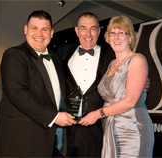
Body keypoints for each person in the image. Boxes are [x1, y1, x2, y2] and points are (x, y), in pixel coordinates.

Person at [0, 10, 76, 157]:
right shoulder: (14, 55)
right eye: (34, 28)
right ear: (26, 29)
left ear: (51, 33)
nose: (39, 34)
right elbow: (18, 93)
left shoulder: (56, 59)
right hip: (20, 142)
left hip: (50, 140)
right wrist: (55, 117)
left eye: (44, 29)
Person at [79, 15, 155, 157]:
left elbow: (130, 101)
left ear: (130, 37)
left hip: (132, 129)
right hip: (111, 128)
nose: (116, 37)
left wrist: (97, 114)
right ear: (108, 37)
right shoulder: (111, 64)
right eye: (113, 33)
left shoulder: (137, 59)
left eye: (121, 33)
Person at [58, 12, 115, 157]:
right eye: (83, 28)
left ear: (99, 31)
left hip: (96, 132)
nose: (88, 34)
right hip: (65, 131)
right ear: (76, 31)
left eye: (93, 28)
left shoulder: (111, 55)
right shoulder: (63, 52)